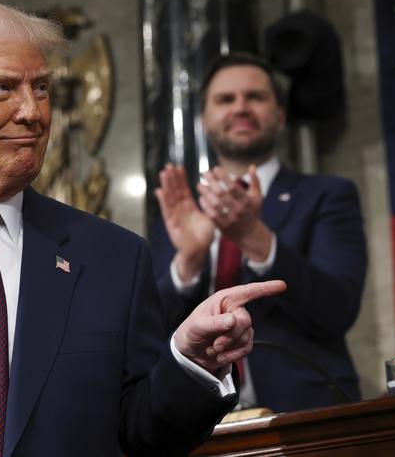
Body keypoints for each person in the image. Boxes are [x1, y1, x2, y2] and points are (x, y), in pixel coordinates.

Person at [0, 0, 287, 457]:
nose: (33, 112)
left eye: (42, 88)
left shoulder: (112, 257)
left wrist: (191, 363)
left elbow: (141, 434)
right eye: (3, 88)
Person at [151, 52, 367, 413]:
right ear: (204, 121)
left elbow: (338, 310)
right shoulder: (182, 209)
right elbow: (149, 331)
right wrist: (188, 263)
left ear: (280, 116)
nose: (241, 107)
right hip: (195, 420)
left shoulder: (328, 195)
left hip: (306, 414)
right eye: (225, 99)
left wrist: (254, 237)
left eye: (255, 97)